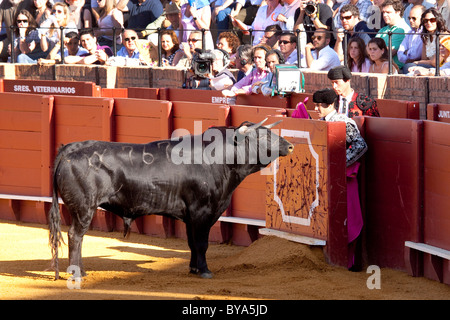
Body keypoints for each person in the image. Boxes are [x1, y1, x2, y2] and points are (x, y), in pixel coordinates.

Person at [312, 87, 368, 271]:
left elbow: (360, 146)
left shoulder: (344, 122)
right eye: (316, 105)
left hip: (344, 179)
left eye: (321, 105)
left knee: (348, 217)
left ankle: (349, 263)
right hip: (325, 180)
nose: (318, 109)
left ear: (331, 105)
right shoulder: (319, 122)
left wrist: (338, 164)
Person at [375, 0, 411, 71]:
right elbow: (370, 47)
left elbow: (390, 53)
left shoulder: (402, 29)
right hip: (381, 67)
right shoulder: (383, 29)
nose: (384, 15)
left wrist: (373, 52)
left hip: (397, 71)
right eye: (383, 12)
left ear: (398, 12)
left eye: (388, 12)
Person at [397, 5, 426, 73]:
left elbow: (415, 54)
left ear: (422, 18)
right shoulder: (409, 33)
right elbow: (400, 54)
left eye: (414, 18)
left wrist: (406, 52)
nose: (410, 20)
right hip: (410, 64)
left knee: (407, 67)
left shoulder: (424, 33)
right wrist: (408, 57)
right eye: (409, 18)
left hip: (421, 65)